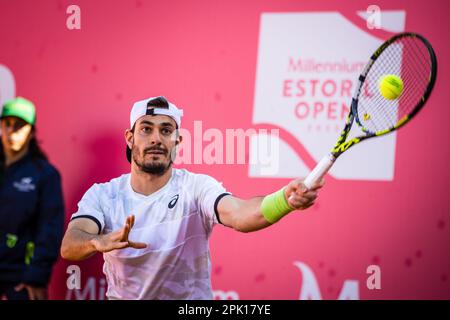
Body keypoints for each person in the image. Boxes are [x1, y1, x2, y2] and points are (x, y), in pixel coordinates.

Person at [61, 96, 323, 300]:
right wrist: (97, 241)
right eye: (146, 129)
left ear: (178, 141)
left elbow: (241, 214)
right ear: (130, 138)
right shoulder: (103, 194)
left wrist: (284, 201)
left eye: (166, 131)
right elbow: (70, 245)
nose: (156, 138)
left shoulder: (196, 187)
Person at [0, 97, 65, 300]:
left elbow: (50, 229)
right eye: (7, 124)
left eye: (19, 126)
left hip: (21, 277)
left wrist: (36, 276)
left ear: (31, 132)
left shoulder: (45, 174)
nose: (12, 131)